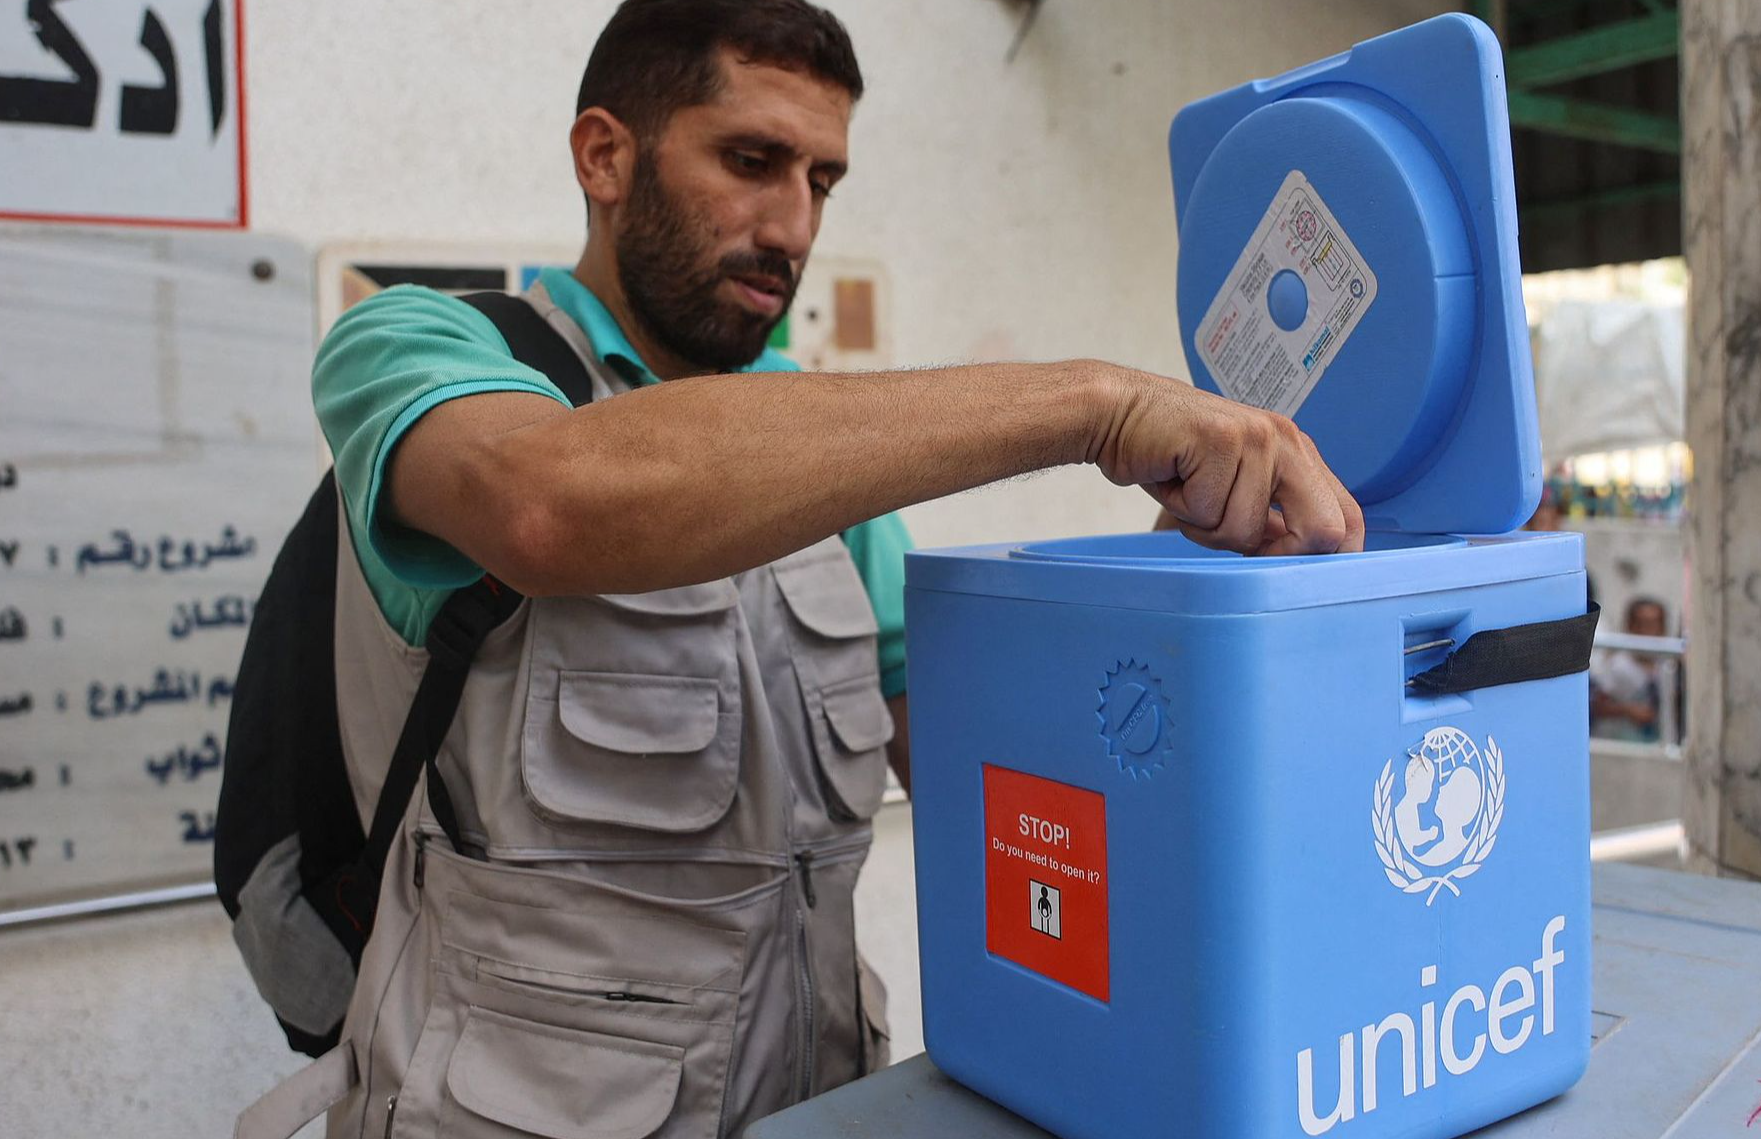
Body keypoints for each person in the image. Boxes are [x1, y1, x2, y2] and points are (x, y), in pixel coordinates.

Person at [277, 2, 1363, 1137]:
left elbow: (987, 772)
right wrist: (1095, 405)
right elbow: (546, 504)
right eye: (751, 161)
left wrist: (1198, 609)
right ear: (605, 155)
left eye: (822, 181)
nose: (791, 225)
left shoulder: (812, 450)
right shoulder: (420, 346)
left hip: (824, 1102)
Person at [1590, 596, 1670, 742]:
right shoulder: (1618, 666)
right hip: (1622, 744)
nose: (1649, 632)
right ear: (1630, 626)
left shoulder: (1668, 666)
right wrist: (1628, 710)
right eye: (1643, 625)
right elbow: (1597, 706)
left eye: (1655, 625)